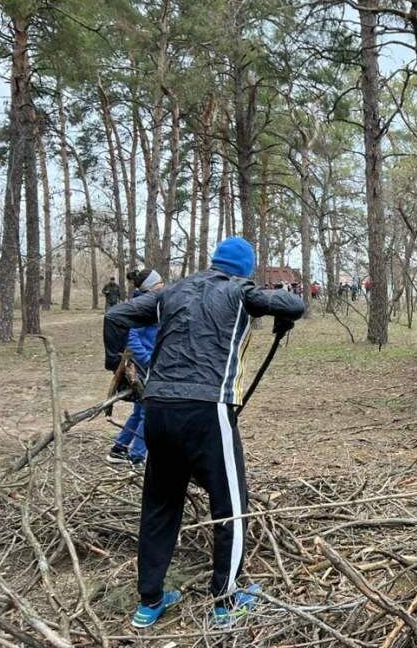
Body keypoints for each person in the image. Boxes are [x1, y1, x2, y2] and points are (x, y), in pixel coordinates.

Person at [104, 237, 304, 629]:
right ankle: (227, 602)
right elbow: (292, 303)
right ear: (246, 268)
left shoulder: (172, 290)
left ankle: (150, 602)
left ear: (214, 262)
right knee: (231, 505)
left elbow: (116, 318)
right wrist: (284, 314)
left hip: (158, 409)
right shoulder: (240, 289)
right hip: (208, 409)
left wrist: (114, 361)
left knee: (160, 505)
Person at [107, 269, 165, 467]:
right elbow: (131, 339)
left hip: (148, 365)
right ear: (152, 286)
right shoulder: (140, 307)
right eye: (160, 284)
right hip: (143, 366)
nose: (163, 287)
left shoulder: (153, 303)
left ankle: (119, 449)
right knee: (148, 413)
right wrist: (148, 360)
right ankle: (137, 456)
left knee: (140, 412)